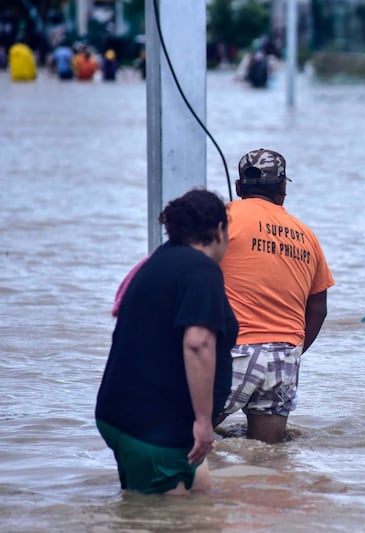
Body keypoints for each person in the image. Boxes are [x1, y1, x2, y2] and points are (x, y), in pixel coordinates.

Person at [95, 189, 239, 494]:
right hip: (154, 430)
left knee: (202, 503)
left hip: (126, 414)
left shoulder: (158, 261)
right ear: (219, 229)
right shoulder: (202, 270)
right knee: (165, 522)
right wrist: (203, 422)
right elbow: (198, 343)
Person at [215, 149, 334, 444]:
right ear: (283, 188)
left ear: (239, 187)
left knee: (178, 439)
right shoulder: (306, 235)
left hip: (233, 351)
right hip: (284, 356)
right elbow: (318, 308)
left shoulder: (223, 218)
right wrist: (291, 350)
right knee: (268, 459)